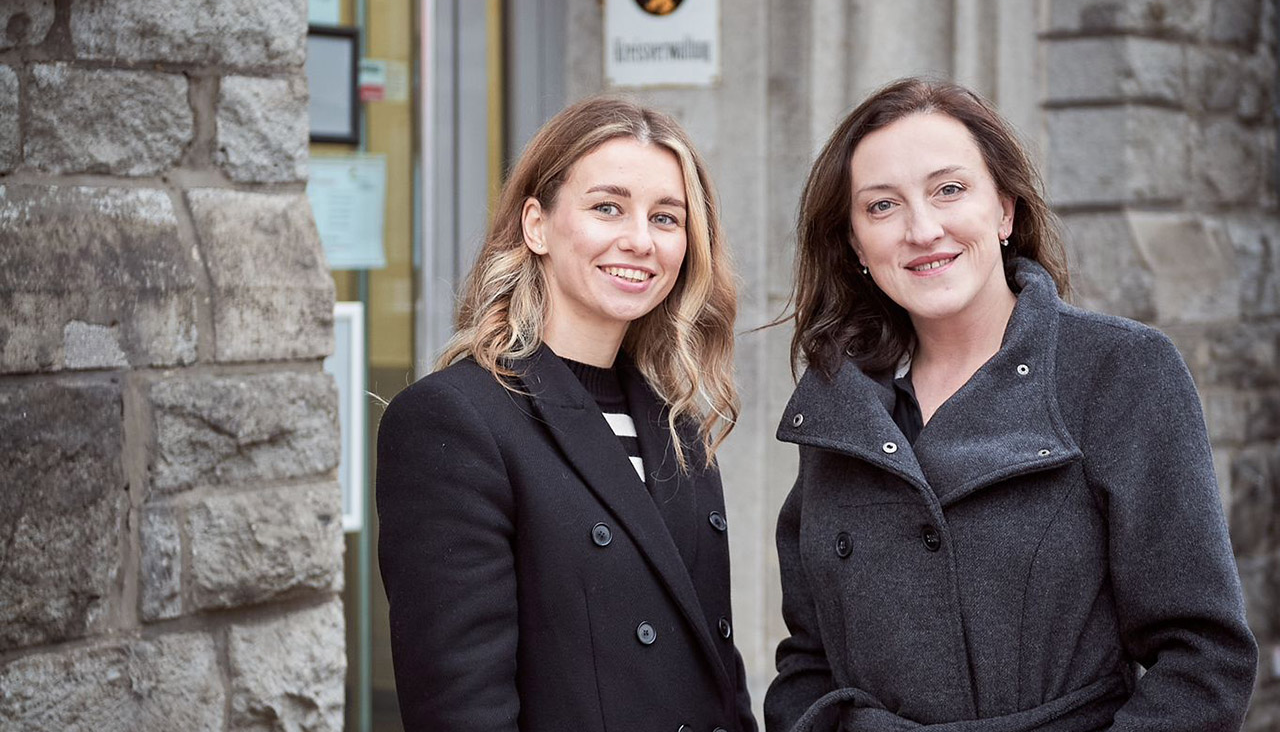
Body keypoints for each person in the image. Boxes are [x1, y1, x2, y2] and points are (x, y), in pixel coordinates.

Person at [765, 78, 1258, 732]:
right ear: (855, 245)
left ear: (1005, 210)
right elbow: (808, 662)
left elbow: (1204, 661)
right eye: (882, 206)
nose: (922, 229)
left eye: (949, 190)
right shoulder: (841, 407)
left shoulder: (1119, 371)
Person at [377, 95, 757, 732]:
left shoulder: (675, 425)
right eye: (608, 207)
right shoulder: (455, 420)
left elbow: (716, 675)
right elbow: (462, 709)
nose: (639, 240)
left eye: (667, 218)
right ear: (537, 225)